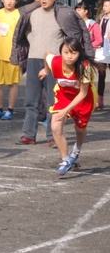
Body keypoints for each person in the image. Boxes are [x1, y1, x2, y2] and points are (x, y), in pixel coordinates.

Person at [11, 0, 93, 146]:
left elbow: (73, 37)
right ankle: (28, 135)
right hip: (34, 59)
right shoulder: (32, 13)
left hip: (55, 62)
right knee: (31, 100)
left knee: (52, 101)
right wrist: (33, 43)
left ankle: (53, 136)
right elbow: (25, 31)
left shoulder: (63, 15)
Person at [40, 38, 101, 175]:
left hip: (83, 99)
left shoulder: (85, 67)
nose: (69, 56)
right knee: (55, 126)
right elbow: (46, 54)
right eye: (66, 52)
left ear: (79, 53)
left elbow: (83, 93)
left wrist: (66, 110)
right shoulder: (55, 61)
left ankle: (77, 149)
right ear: (61, 52)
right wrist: (46, 70)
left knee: (80, 129)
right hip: (63, 96)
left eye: (73, 53)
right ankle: (65, 160)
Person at [96, 0, 110, 109]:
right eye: (104, 5)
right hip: (102, 49)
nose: (104, 8)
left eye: (107, 6)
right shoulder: (101, 19)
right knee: (101, 74)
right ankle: (100, 100)